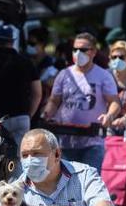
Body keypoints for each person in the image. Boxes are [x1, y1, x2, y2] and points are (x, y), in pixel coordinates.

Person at [42, 32, 120, 172]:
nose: (78, 53)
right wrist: (47, 114)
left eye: (83, 50)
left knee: (88, 185)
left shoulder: (104, 76)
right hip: (65, 141)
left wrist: (109, 116)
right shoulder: (64, 74)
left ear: (94, 52)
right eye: (75, 49)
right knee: (65, 185)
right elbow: (54, 101)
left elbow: (115, 102)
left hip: (92, 142)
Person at [0, 24, 42, 146]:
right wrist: (28, 115)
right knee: (19, 158)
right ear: (12, 41)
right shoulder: (26, 61)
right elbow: (37, 93)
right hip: (21, 116)